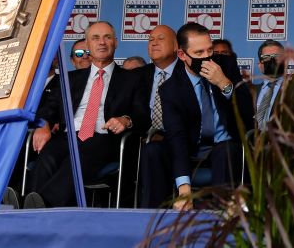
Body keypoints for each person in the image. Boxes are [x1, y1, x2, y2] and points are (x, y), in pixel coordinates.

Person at [23, 21, 142, 208]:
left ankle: (37, 206)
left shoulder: (132, 78)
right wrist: (43, 125)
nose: (101, 42)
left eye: (107, 37)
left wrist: (125, 120)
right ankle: (34, 206)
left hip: (104, 137)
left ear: (116, 43)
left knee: (77, 157)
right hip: (68, 135)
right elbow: (49, 109)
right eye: (95, 38)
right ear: (87, 45)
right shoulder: (70, 79)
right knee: (48, 156)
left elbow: (142, 113)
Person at [160, 22, 253, 210]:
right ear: (182, 55)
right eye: (199, 53)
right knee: (153, 152)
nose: (207, 58)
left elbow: (248, 112)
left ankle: (222, 219)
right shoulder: (171, 89)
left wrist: (224, 84)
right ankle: (154, 221)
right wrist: (184, 189)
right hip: (193, 149)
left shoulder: (226, 65)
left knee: (224, 150)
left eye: (209, 51)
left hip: (226, 145)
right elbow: (176, 136)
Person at [137, 25, 179, 208]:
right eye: (150, 39)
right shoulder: (137, 76)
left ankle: (152, 219)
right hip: (140, 139)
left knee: (153, 151)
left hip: (179, 139)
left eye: (160, 39)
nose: (154, 42)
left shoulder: (188, 73)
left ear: (177, 45)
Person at [253, 40, 286, 131]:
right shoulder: (251, 91)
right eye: (266, 57)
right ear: (260, 65)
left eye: (276, 57)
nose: (272, 61)